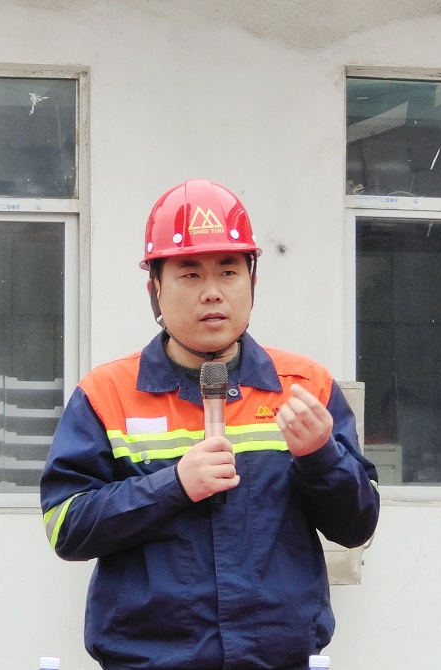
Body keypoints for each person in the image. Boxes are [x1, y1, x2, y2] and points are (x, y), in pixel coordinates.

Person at [40, 178, 381, 670]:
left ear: (253, 282)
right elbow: (65, 527)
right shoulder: (106, 394)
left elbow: (357, 526)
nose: (213, 293)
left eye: (228, 271)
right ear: (155, 289)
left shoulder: (305, 387)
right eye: (190, 274)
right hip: (149, 662)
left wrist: (321, 457)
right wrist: (173, 485)